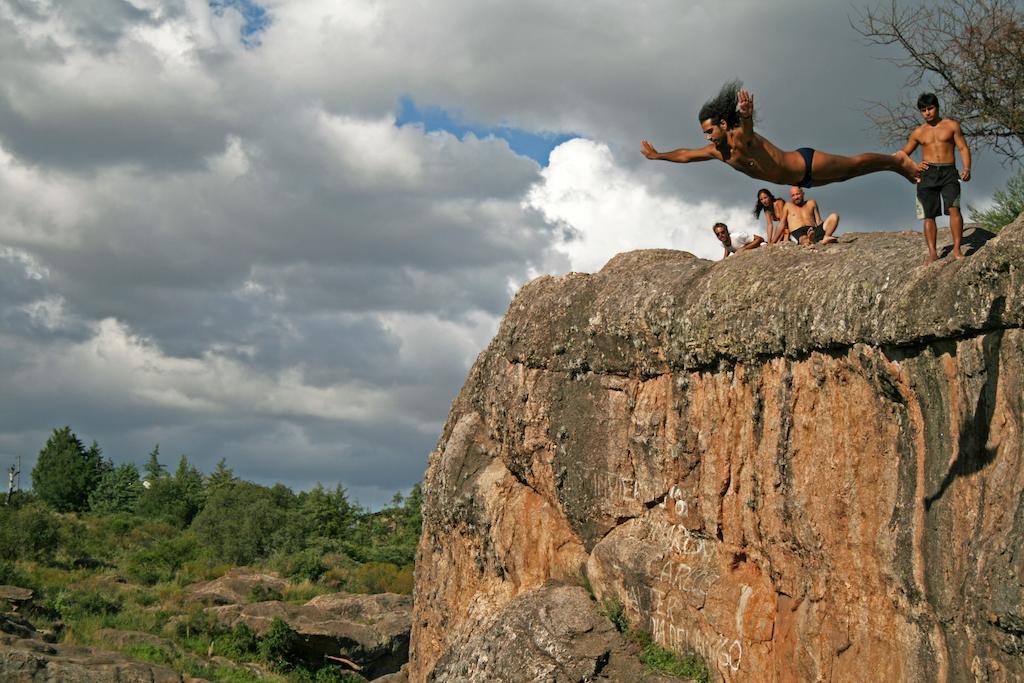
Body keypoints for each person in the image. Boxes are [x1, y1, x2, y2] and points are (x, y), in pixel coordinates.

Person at [641, 80, 921, 187]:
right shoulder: (717, 152)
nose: (707, 137)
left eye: (710, 130)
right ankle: (894, 167)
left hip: (807, 163)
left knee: (854, 164)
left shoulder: (740, 137)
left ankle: (896, 160)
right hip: (801, 181)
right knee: (851, 175)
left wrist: (748, 115)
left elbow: (749, 132)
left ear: (724, 125)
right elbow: (686, 155)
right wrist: (658, 156)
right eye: (704, 133)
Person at [901, 92, 971, 263]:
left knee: (954, 209)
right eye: (923, 110)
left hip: (948, 172)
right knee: (928, 215)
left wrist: (967, 167)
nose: (927, 113)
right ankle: (932, 252)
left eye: (930, 108)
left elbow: (962, 148)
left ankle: (956, 249)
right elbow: (902, 155)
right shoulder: (918, 132)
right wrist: (914, 166)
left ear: (937, 107)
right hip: (928, 174)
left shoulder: (951, 125)